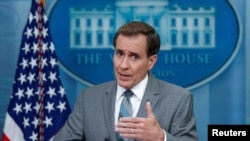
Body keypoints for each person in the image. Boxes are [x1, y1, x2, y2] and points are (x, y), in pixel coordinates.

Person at [53, 21, 199, 141]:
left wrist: (161, 138)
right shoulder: (89, 98)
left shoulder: (178, 99)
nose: (123, 65)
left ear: (151, 61)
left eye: (134, 57)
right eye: (119, 54)